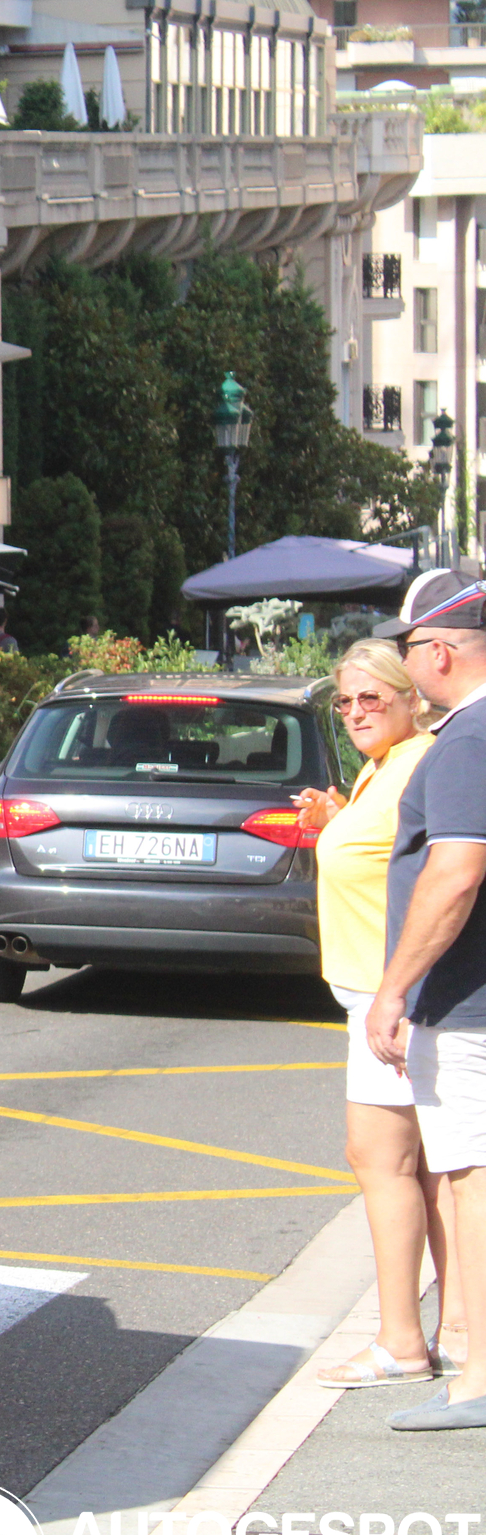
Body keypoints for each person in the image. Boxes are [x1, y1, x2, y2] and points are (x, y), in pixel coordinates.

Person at [294, 639, 459, 1386]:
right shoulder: (383, 767)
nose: (357, 710)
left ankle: (404, 1340)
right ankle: (453, 1326)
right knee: (427, 1169)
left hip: (392, 995)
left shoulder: (421, 758)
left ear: (409, 695)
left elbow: (441, 871)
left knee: (384, 1160)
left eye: (372, 697)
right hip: (386, 992)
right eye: (347, 700)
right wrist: (337, 814)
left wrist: (394, 994)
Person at [362, 574, 486, 1430]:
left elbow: (455, 870)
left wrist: (394, 988)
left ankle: (478, 1377)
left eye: (407, 651)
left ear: (437, 652)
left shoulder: (470, 740)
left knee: (472, 1183)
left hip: (469, 1007)